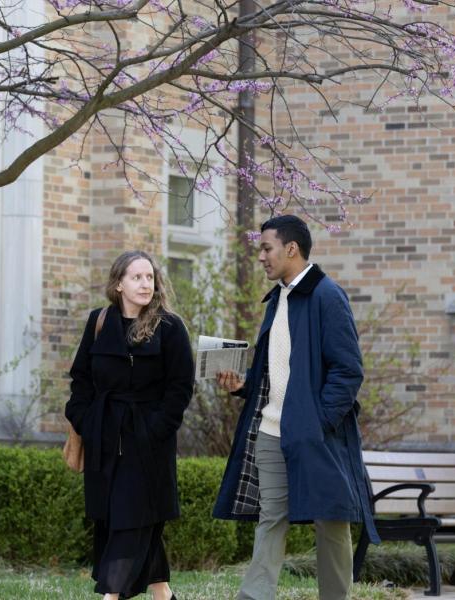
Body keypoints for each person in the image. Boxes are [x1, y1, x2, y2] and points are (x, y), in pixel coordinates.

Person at [212, 215, 378, 600]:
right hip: (272, 432)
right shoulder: (278, 299)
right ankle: (254, 596)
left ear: (291, 249)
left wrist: (317, 422)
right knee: (271, 518)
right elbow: (278, 369)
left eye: (266, 248)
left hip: (316, 435)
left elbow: (348, 371)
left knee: (331, 521)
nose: (261, 258)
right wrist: (243, 385)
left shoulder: (327, 295)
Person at [65, 250, 195, 600]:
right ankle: (163, 594)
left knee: (131, 520)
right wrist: (84, 418)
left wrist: (155, 428)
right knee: (116, 518)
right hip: (104, 438)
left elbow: (181, 387)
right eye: (136, 277)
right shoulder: (99, 322)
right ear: (118, 283)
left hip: (148, 443)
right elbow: (81, 380)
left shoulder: (170, 327)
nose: (145, 284)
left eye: (149, 277)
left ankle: (111, 596)